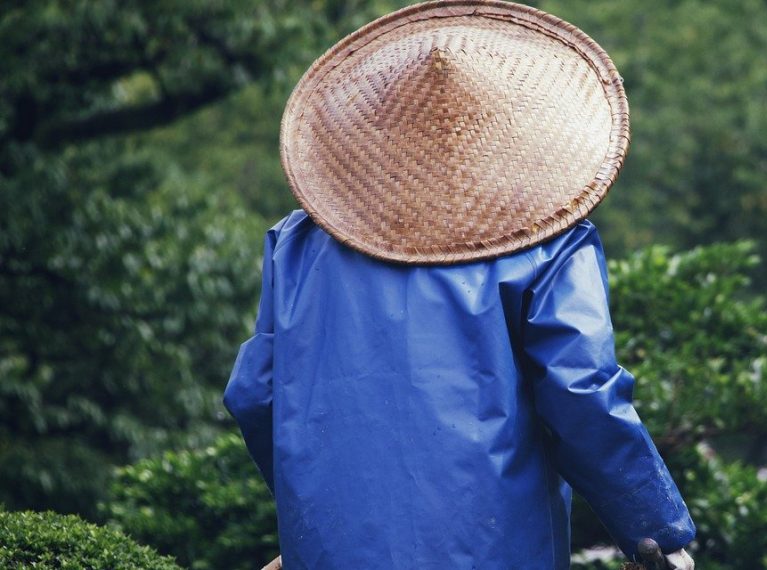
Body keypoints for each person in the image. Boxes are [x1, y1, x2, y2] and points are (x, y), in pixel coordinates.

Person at [224, 1, 696, 568]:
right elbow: (580, 391)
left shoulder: (298, 243)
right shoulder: (546, 240)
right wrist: (654, 530)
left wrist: (318, 516)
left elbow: (255, 394)